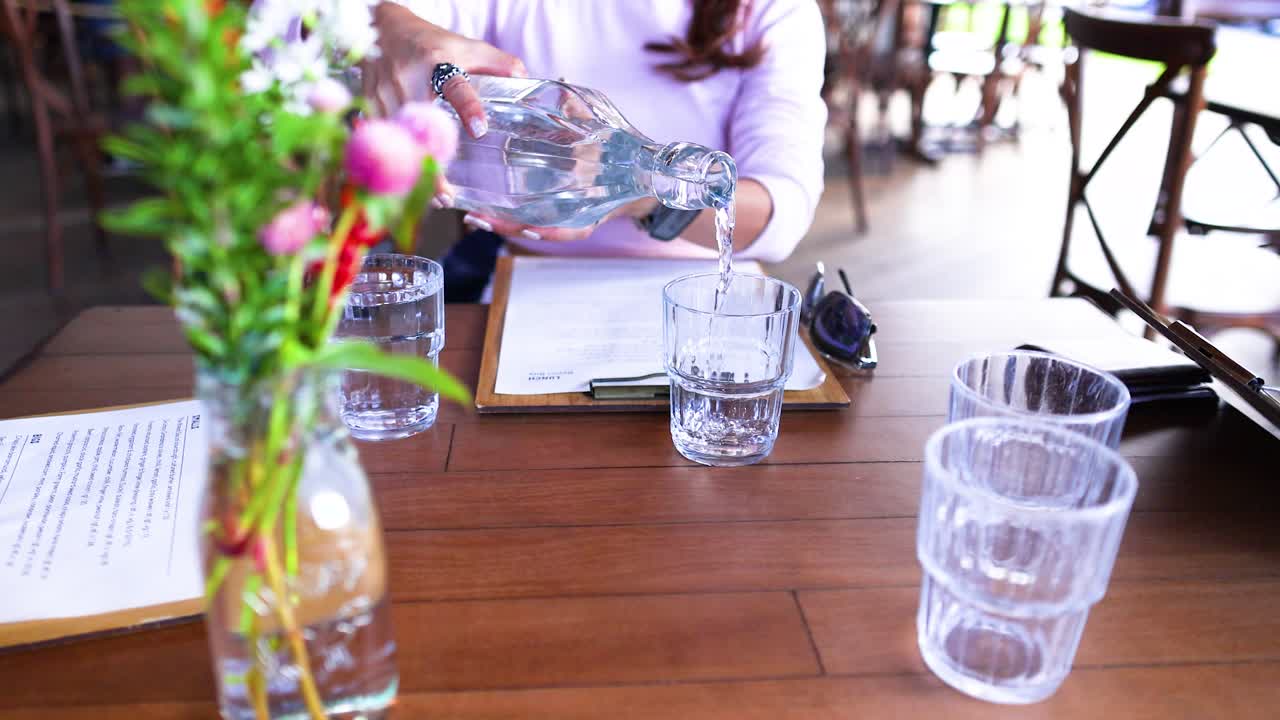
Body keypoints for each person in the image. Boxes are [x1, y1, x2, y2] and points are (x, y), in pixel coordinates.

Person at [367, 0, 826, 299]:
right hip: (533, 286)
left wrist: (643, 191)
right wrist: (396, 28)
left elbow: (781, 213)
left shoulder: (773, 11)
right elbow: (364, 15)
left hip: (712, 290)